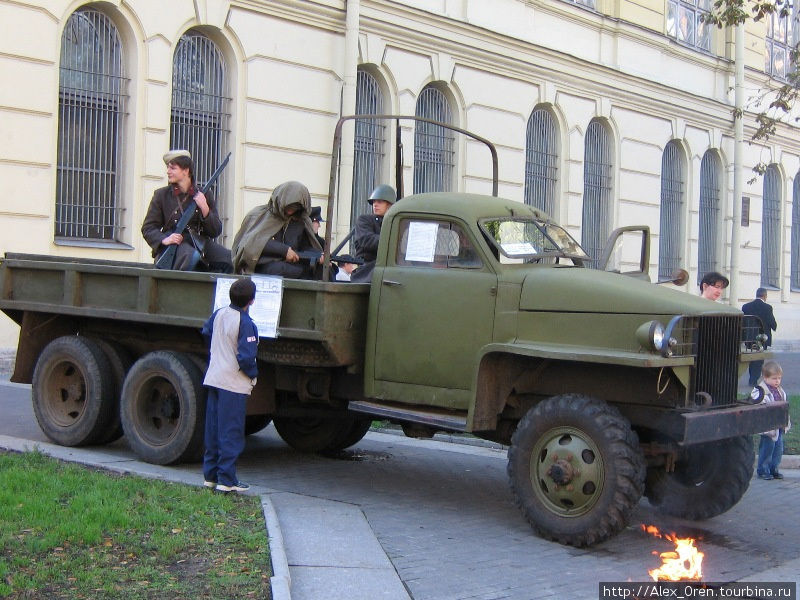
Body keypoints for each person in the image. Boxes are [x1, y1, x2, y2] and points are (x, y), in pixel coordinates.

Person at [202, 277, 259, 493]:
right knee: (231, 432)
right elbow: (246, 357)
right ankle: (227, 479)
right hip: (233, 384)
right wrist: (253, 375)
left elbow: (206, 332)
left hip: (214, 376)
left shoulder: (219, 314)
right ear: (251, 301)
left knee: (213, 429)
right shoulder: (246, 323)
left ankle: (210, 476)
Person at [141, 150, 232, 273]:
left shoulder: (204, 194)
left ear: (186, 170)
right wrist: (164, 239)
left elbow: (215, 231)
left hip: (199, 242)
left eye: (173, 168)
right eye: (168, 168)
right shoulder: (161, 195)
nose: (168, 171)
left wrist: (205, 208)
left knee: (230, 260)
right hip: (175, 244)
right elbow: (148, 228)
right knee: (191, 257)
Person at [231, 181, 323, 278]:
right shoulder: (259, 215)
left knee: (323, 271)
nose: (291, 210)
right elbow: (251, 242)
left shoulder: (301, 221)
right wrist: (284, 251)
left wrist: (318, 255)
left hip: (293, 264)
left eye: (296, 207)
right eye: (289, 205)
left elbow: (304, 246)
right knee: (282, 269)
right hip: (262, 264)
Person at [750, 360, 791, 480]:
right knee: (767, 449)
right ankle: (763, 470)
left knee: (778, 449)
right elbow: (758, 406)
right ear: (765, 378)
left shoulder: (780, 391)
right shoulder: (760, 391)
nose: (777, 381)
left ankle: (774, 468)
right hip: (768, 426)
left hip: (779, 424)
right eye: (774, 378)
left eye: (779, 378)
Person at [351, 184, 397, 283]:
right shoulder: (365, 220)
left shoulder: (395, 223)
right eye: (374, 202)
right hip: (368, 270)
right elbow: (367, 240)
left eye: (380, 202)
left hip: (390, 268)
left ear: (389, 205)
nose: (375, 204)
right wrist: (393, 241)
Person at [742, 288, 778, 386]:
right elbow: (772, 323)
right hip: (762, 337)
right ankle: (753, 380)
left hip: (749, 337)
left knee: (753, 357)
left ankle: (752, 378)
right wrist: (774, 327)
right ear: (765, 296)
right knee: (759, 359)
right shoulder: (767, 307)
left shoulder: (746, 306)